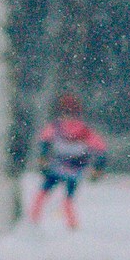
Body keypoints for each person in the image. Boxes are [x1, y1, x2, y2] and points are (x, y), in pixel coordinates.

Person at [28, 93, 107, 229]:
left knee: (43, 194)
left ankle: (32, 222)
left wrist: (43, 158)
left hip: (58, 167)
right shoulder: (85, 130)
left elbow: (45, 141)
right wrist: (98, 168)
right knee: (67, 199)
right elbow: (101, 149)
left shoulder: (57, 126)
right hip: (75, 169)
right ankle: (71, 226)